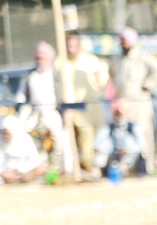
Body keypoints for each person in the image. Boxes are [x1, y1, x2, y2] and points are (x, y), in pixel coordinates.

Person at [112, 28, 157, 170]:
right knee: (123, 136)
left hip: (139, 103)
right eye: (121, 40)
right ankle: (127, 168)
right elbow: (112, 74)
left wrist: (147, 85)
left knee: (143, 134)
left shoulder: (142, 57)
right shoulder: (117, 59)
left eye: (125, 40)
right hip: (123, 104)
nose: (123, 43)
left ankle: (146, 168)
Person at [57, 32, 109, 174]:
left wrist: (101, 86)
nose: (71, 49)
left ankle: (98, 164)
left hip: (93, 103)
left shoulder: (91, 60)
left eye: (73, 46)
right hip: (75, 106)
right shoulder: (61, 62)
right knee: (87, 131)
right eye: (69, 46)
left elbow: (103, 77)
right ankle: (88, 164)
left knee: (100, 131)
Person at [22, 41, 72, 174]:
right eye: (38, 56)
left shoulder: (56, 75)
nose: (40, 59)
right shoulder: (30, 75)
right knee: (26, 136)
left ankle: (63, 170)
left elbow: (65, 96)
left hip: (52, 112)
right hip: (35, 114)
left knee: (60, 140)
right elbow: (22, 97)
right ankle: (36, 169)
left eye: (43, 56)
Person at [0, 116, 48, 185]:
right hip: (0, 175)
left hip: (22, 174)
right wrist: (1, 172)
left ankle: (20, 182)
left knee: (42, 166)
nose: (6, 134)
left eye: (8, 132)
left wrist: (19, 171)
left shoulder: (26, 139)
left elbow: (35, 160)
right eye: (4, 132)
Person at [93, 98, 145, 175]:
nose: (118, 116)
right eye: (116, 113)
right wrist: (98, 148)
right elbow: (98, 141)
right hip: (113, 156)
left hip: (130, 158)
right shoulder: (108, 127)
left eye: (120, 113)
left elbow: (140, 145)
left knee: (128, 142)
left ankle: (124, 169)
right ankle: (97, 171)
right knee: (104, 143)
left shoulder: (134, 127)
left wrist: (127, 150)